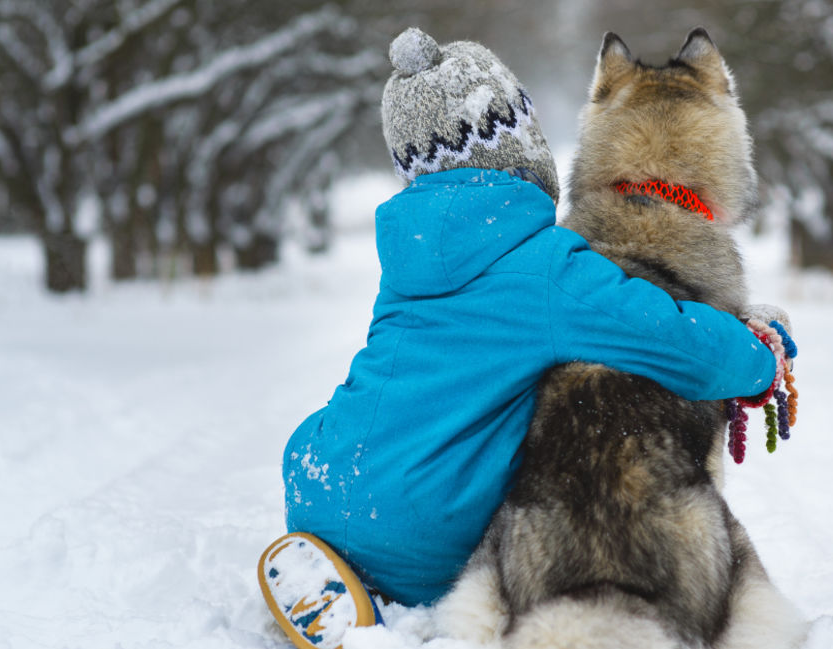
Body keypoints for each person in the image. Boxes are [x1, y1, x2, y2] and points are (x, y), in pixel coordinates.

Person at [257, 27, 781, 647]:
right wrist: (757, 357)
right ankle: (396, 595)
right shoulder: (547, 268)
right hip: (428, 524)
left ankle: (344, 562)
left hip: (318, 476)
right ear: (521, 146)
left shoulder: (408, 254)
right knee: (486, 483)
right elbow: (670, 337)